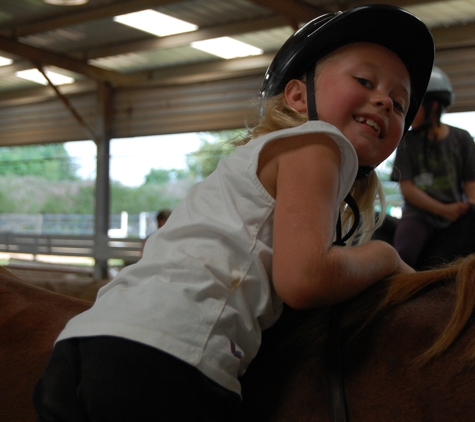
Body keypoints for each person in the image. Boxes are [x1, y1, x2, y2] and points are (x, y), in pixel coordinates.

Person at [33, 5, 434, 422]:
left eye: (401, 104)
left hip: (86, 342)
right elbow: (304, 280)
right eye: (365, 80)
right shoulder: (319, 143)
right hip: (172, 354)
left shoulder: (250, 164)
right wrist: (386, 257)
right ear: (297, 96)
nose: (386, 100)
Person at [391, 66, 475, 267]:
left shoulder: (461, 138)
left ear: (434, 106)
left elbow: (471, 180)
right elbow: (407, 188)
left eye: (415, 106)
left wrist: (470, 204)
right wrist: (443, 210)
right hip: (419, 217)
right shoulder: (407, 141)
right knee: (404, 255)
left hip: (456, 215)